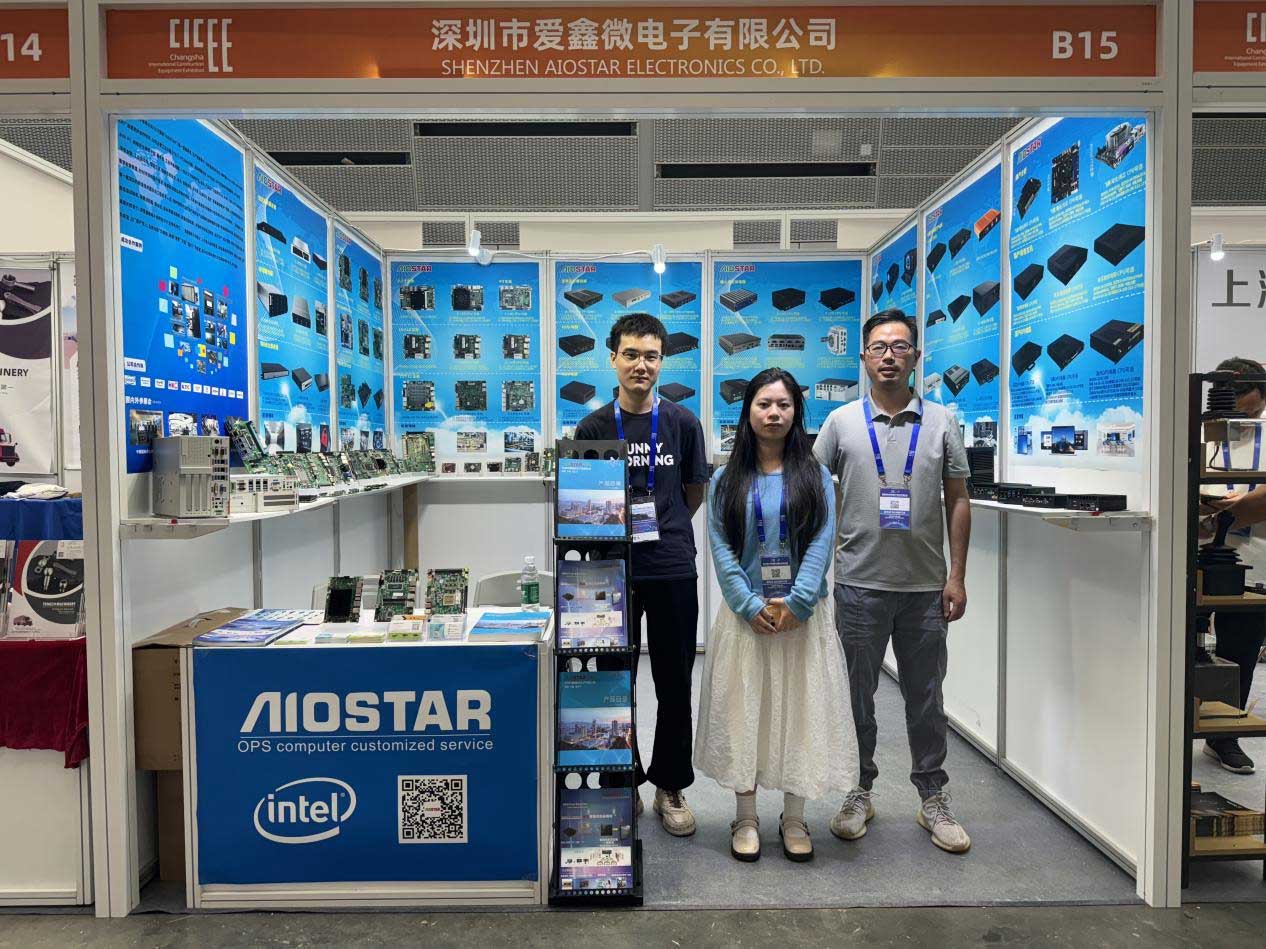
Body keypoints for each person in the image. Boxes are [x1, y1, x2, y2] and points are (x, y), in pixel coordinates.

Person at [813, 308, 974, 854]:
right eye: (879, 347)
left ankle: (933, 796)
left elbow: (958, 500)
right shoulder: (840, 423)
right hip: (859, 585)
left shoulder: (942, 422)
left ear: (916, 357)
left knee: (926, 697)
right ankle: (858, 789)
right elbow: (812, 491)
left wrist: (957, 576)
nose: (889, 356)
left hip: (925, 589)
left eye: (900, 347)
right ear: (863, 357)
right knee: (855, 697)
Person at [695, 368, 859, 862]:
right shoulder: (725, 479)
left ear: (796, 412)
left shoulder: (815, 477)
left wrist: (800, 601)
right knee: (744, 715)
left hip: (801, 619)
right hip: (746, 619)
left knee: (799, 715)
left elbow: (823, 541)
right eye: (764, 404)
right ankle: (745, 817)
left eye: (783, 405)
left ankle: (794, 817)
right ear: (747, 411)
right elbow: (721, 548)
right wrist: (748, 604)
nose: (773, 413)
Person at [575, 312, 708, 835]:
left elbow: (693, 491)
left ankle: (669, 785)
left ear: (662, 361)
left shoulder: (683, 423)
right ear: (613, 358)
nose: (641, 365)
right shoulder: (593, 427)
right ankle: (621, 779)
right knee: (613, 683)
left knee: (675, 682)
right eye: (630, 354)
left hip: (671, 566)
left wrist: (664, 526)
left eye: (651, 356)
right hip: (609, 570)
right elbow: (582, 500)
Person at [1201, 357, 1266, 774]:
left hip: (1253, 559)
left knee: (1239, 649)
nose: (1239, 403)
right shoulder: (1203, 430)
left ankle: (1224, 735)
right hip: (1198, 550)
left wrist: (1242, 507)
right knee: (1183, 647)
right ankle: (1175, 725)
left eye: (1244, 393)